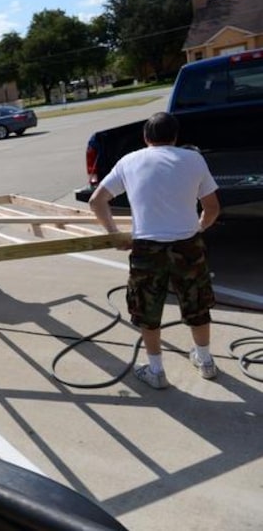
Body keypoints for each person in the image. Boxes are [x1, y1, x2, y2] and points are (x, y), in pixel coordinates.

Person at [89, 112, 220, 389]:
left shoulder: (129, 161)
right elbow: (212, 208)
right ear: (174, 137)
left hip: (147, 246)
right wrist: (198, 228)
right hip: (187, 244)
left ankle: (156, 370)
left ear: (146, 138)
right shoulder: (193, 159)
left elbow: (97, 201)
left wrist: (113, 235)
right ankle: (206, 361)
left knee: (147, 308)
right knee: (196, 302)